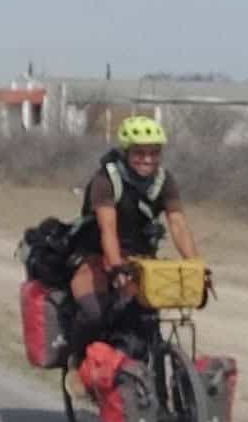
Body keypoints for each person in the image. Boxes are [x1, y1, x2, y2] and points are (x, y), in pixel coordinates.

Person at [67, 116, 202, 378]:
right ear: (127, 152)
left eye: (154, 153)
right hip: (95, 257)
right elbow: (108, 229)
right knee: (94, 313)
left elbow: (178, 224)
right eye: (140, 153)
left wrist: (196, 265)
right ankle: (78, 364)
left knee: (146, 317)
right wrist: (116, 267)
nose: (147, 159)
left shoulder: (164, 180)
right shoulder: (106, 179)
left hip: (141, 260)